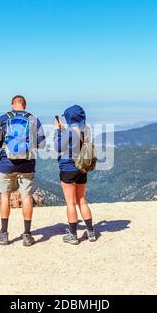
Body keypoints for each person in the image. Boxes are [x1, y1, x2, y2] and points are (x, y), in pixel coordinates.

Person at [0, 95, 46, 246]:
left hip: (6, 164)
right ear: (25, 106)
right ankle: (27, 235)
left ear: (12, 105)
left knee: (5, 196)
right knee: (26, 196)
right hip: (27, 164)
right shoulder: (34, 119)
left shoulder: (3, 118)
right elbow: (42, 144)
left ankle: (3, 234)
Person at [54, 105, 96, 245]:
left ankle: (73, 235)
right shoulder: (87, 129)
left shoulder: (70, 132)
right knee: (82, 201)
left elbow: (58, 147)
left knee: (70, 203)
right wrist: (64, 131)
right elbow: (76, 140)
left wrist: (57, 131)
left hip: (68, 168)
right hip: (82, 168)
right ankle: (91, 232)